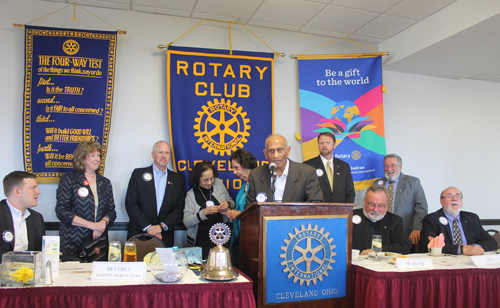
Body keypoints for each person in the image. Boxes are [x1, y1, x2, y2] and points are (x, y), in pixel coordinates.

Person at [56, 141, 116, 261]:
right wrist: (93, 225)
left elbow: (111, 211)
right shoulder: (69, 179)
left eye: (98, 155)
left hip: (98, 242)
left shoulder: (105, 182)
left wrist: (102, 223)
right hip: (73, 241)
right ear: (82, 159)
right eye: (92, 155)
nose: (97, 159)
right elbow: (62, 211)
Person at [125, 141, 186, 247]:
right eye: (160, 152)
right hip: (139, 234)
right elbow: (131, 203)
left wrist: (160, 227)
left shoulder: (178, 179)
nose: (164, 156)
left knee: (161, 264)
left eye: (167, 153)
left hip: (165, 237)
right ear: (153, 155)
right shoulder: (138, 175)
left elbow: (179, 209)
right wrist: (149, 228)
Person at [246, 134, 323, 206]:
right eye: (271, 151)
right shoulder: (256, 175)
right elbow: (249, 208)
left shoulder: (307, 173)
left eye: (280, 150)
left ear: (288, 151)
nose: (276, 155)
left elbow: (315, 205)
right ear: (266, 154)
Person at [420, 187, 497, 255]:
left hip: (470, 259)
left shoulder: (472, 218)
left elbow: (491, 242)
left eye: (458, 196)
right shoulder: (432, 219)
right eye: (449, 196)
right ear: (441, 201)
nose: (454, 199)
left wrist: (474, 248)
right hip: (445, 261)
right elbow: (429, 245)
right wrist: (461, 249)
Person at [184, 161, 235, 259]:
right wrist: (204, 213)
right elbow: (187, 222)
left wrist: (227, 204)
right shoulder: (191, 195)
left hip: (222, 240)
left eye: (212, 178)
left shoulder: (218, 184)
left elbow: (232, 202)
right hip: (200, 243)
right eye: (205, 180)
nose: (209, 182)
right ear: (197, 179)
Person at [376, 154, 428, 247]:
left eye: (392, 165)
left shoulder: (413, 182)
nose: (389, 169)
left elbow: (421, 207)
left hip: (405, 232)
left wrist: (417, 228)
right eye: (386, 166)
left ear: (400, 166)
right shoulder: (377, 183)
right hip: (381, 232)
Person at [352, 184, 412, 255]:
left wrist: (377, 250)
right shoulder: (350, 217)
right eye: (371, 204)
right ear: (364, 201)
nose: (375, 209)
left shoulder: (395, 221)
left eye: (380, 206)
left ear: (386, 204)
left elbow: (404, 247)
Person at [224, 149, 257, 267]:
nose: (234, 172)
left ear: (246, 165)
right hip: (238, 237)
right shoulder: (244, 185)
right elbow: (240, 208)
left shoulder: (259, 185)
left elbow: (259, 213)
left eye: (236, 167)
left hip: (251, 240)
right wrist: (228, 212)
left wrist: (238, 214)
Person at [0, 171, 45, 258]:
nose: (38, 192)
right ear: (17, 191)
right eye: (33, 188)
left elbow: (39, 252)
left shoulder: (37, 218)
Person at [303, 132, 355, 203]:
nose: (324, 145)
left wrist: (346, 210)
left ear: (334, 145)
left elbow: (350, 193)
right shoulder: (307, 166)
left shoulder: (344, 166)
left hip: (341, 212)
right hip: (318, 212)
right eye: (321, 143)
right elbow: (304, 194)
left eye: (328, 142)